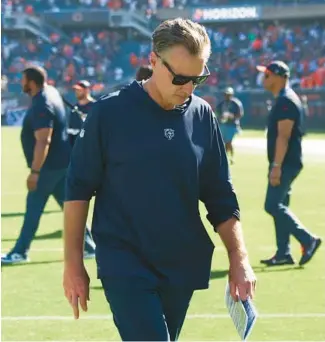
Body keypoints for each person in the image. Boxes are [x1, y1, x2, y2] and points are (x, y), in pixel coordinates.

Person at [63, 18, 256, 341]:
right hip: (125, 263)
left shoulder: (202, 114)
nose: (188, 88)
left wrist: (240, 260)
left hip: (181, 264)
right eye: (180, 77)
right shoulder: (109, 113)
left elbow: (220, 195)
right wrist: (73, 263)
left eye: (198, 79)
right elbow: (78, 189)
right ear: (153, 60)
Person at [1, 66, 96, 265]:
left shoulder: (42, 103)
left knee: (34, 207)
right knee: (68, 206)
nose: (21, 83)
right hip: (62, 163)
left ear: (32, 83)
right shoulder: (50, 92)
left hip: (49, 167)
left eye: (23, 80)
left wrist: (35, 171)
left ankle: (20, 251)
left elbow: (44, 140)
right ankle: (89, 247)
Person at [257, 61, 321, 267]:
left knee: (272, 205)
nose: (264, 79)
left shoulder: (285, 101)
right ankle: (283, 253)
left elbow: (283, 137)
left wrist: (276, 166)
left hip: (285, 162)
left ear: (279, 77)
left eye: (267, 75)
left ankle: (307, 239)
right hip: (287, 161)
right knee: (280, 205)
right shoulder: (283, 99)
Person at [216, 87, 244, 164]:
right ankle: (224, 157)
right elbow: (217, 112)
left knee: (229, 142)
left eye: (228, 94)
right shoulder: (222, 103)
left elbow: (240, 114)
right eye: (225, 94)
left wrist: (232, 116)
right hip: (222, 125)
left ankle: (231, 157)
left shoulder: (236, 103)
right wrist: (221, 117)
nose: (227, 96)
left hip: (232, 125)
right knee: (222, 142)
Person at [68, 80, 96, 147]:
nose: (76, 92)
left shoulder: (95, 107)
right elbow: (71, 129)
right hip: (76, 147)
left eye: (79, 90)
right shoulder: (74, 109)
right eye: (76, 90)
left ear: (87, 90)